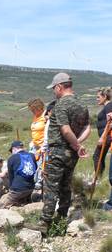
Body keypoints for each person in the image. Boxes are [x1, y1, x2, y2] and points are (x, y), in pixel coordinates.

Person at [33, 73, 90, 234]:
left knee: (51, 186)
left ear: (59, 87)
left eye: (54, 89)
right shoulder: (81, 104)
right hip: (71, 153)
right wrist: (77, 145)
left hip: (58, 150)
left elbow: (65, 130)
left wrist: (76, 144)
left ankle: (44, 223)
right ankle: (62, 219)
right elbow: (87, 128)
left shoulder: (60, 105)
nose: (53, 92)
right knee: (66, 185)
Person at [0, 141, 37, 209]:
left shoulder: (12, 158)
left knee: (0, 206)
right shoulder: (32, 155)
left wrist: (11, 189)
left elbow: (11, 177)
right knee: (22, 202)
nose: (12, 153)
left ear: (14, 149)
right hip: (31, 188)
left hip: (17, 190)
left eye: (11, 151)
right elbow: (34, 169)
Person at [93, 88, 112, 178]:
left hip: (107, 136)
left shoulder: (109, 106)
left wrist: (103, 137)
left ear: (104, 97)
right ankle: (99, 176)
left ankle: (98, 177)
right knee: (99, 157)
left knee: (97, 156)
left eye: (98, 97)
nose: (97, 99)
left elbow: (110, 123)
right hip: (106, 136)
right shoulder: (106, 106)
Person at [27, 98, 46, 190]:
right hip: (34, 144)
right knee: (32, 163)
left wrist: (42, 147)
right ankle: (32, 180)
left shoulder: (45, 117)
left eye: (34, 110)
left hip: (43, 145)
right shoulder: (36, 117)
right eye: (31, 110)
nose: (33, 112)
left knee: (41, 164)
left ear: (40, 107)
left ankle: (39, 182)